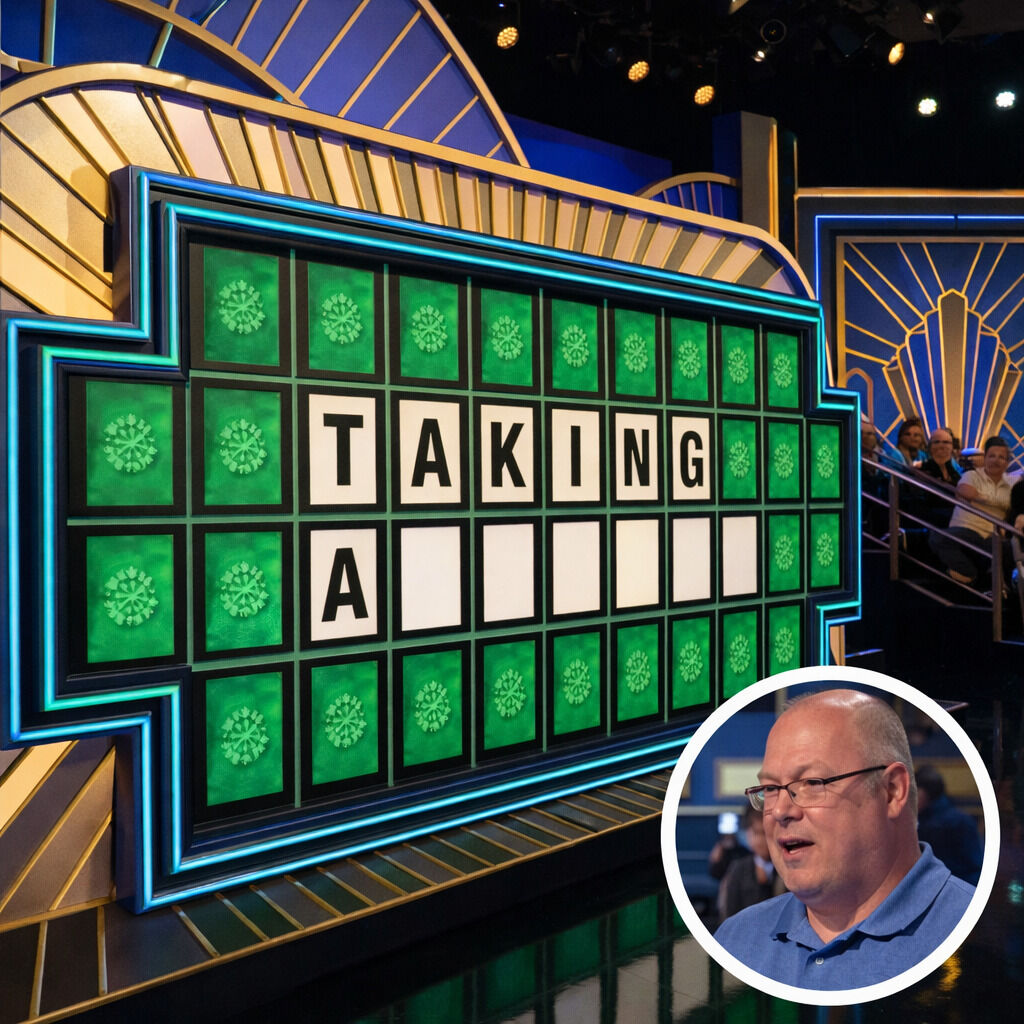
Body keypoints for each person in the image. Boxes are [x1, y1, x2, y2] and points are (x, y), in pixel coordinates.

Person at [714, 689, 975, 990]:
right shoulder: (734, 939)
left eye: (811, 783)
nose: (781, 811)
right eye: (771, 789)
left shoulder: (975, 932)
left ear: (891, 791)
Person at [929, 436, 1014, 585]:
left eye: (1001, 457)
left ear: (1007, 463)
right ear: (985, 458)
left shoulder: (1011, 484)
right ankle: (968, 572)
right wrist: (999, 503)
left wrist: (979, 498)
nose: (996, 460)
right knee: (938, 537)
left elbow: (1013, 506)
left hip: (991, 535)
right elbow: (964, 492)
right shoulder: (972, 475)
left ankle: (999, 587)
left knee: (1009, 547)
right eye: (992, 456)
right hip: (965, 529)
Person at [914, 765, 983, 886]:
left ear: (925, 793)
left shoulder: (958, 822)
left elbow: (975, 867)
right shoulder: (918, 820)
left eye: (914, 793)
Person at [717, 806, 786, 922]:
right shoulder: (738, 870)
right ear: (748, 834)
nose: (763, 840)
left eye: (768, 832)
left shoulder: (787, 868)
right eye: (758, 833)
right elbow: (730, 914)